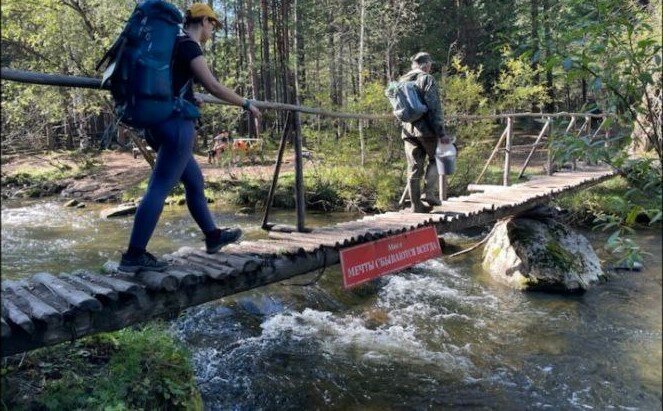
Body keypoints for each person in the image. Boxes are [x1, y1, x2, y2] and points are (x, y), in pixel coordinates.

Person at [119, 3, 262, 273]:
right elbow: (214, 85)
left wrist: (189, 95)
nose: (213, 30)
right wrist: (246, 104)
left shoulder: (169, 43)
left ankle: (213, 236)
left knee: (195, 181)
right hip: (177, 126)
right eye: (213, 25)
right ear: (203, 21)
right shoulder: (188, 45)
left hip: (157, 123)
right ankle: (134, 254)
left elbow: (172, 82)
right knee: (159, 188)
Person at [399, 52, 452, 213]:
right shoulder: (427, 79)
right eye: (430, 64)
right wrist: (440, 131)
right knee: (438, 158)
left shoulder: (401, 81)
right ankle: (429, 193)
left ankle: (416, 205)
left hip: (407, 130)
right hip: (426, 130)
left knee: (414, 166)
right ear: (426, 64)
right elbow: (434, 107)